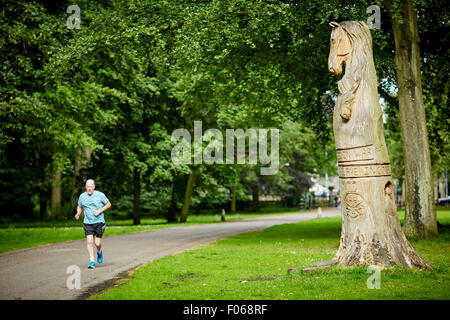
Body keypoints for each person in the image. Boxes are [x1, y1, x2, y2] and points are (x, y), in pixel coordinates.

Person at [75, 179, 111, 269]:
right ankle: (92, 261)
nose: (89, 188)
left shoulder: (100, 195)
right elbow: (80, 206)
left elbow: (108, 204)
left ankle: (99, 251)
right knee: (89, 241)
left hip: (99, 222)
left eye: (91, 186)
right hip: (88, 223)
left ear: (94, 186)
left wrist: (99, 211)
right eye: (88, 187)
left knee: (97, 243)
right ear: (86, 187)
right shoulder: (82, 196)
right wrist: (78, 213)